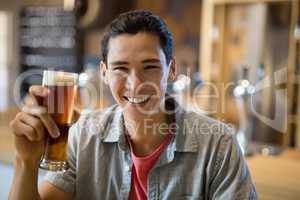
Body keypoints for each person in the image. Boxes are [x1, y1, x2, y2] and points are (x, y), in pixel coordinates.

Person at [9, 10, 257, 200]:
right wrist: (26, 161)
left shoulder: (218, 145)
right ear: (104, 73)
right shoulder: (82, 137)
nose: (136, 83)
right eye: (120, 68)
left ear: (171, 71)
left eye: (149, 67)